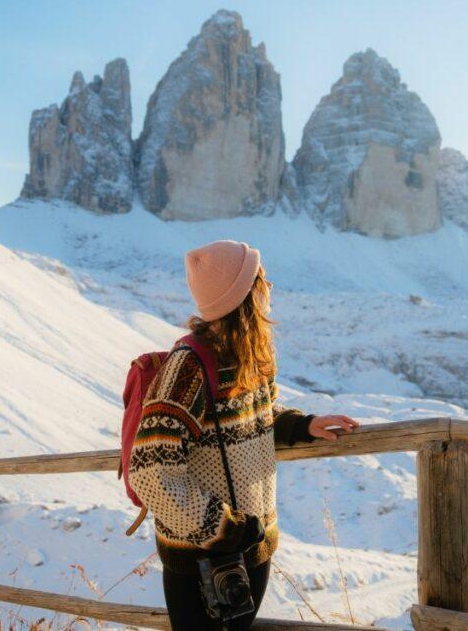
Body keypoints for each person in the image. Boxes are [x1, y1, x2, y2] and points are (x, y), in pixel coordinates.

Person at [128, 240, 359, 630]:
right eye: (260, 279)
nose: (268, 287)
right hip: (203, 556)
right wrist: (223, 529)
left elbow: (258, 416)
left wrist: (301, 425)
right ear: (244, 294)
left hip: (251, 548)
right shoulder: (189, 368)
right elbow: (150, 470)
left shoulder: (250, 355)